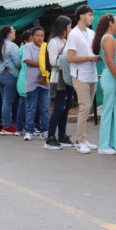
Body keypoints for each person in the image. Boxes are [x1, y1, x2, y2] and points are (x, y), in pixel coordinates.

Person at [67, 5, 100, 154]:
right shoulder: (74, 34)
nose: (92, 18)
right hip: (80, 75)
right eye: (90, 15)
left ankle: (84, 139)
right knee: (84, 107)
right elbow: (70, 58)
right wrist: (89, 58)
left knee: (87, 108)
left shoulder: (92, 33)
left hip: (92, 74)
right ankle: (80, 141)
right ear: (81, 16)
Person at [93, 13, 116, 154]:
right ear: (110, 23)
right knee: (108, 109)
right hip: (113, 78)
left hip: (114, 77)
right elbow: (110, 61)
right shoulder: (108, 38)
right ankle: (103, 145)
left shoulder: (109, 38)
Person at [47, 16, 75, 148]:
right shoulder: (54, 42)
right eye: (69, 27)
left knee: (66, 108)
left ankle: (62, 136)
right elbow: (53, 61)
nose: (71, 29)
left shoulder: (66, 41)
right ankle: (50, 138)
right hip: (59, 77)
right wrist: (69, 59)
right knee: (58, 108)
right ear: (62, 27)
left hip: (68, 76)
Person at [0, 25, 22, 136]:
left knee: (5, 101)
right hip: (9, 75)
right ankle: (7, 126)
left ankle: (7, 125)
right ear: (9, 34)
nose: (15, 33)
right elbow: (18, 63)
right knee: (7, 102)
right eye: (14, 31)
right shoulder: (12, 46)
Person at [22, 26, 50, 142]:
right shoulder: (28, 46)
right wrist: (42, 65)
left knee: (44, 108)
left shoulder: (46, 47)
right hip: (32, 82)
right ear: (32, 36)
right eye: (37, 35)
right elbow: (27, 60)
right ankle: (29, 131)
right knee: (31, 109)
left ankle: (45, 131)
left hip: (45, 82)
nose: (40, 38)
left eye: (42, 36)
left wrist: (44, 75)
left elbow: (50, 63)